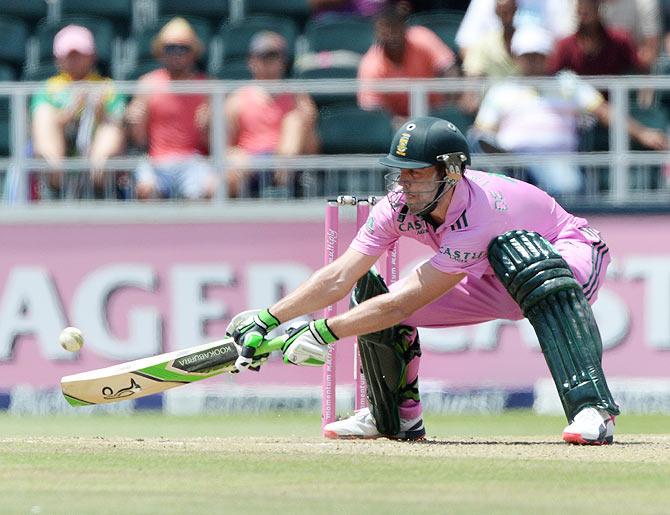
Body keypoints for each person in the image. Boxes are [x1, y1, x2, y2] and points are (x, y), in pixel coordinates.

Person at [228, 115, 621, 446]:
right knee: (373, 301)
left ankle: (593, 410)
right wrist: (269, 318)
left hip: (565, 258)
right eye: (401, 173)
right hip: (490, 278)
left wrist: (324, 332)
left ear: (450, 173)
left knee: (524, 259)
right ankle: (396, 418)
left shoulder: (480, 212)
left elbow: (405, 302)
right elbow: (341, 274)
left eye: (417, 173)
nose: (405, 184)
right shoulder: (396, 207)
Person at [471, 24, 667, 195]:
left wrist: (642, 132)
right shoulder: (500, 90)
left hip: (558, 160)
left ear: (548, 57)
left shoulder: (568, 83)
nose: (533, 61)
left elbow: (604, 111)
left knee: (565, 185)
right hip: (512, 163)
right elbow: (483, 134)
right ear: (516, 57)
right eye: (527, 56)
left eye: (538, 55)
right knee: (479, 147)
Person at [31, 25, 126, 199]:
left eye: (79, 54)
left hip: (96, 143)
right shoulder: (48, 88)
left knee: (111, 126)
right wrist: (70, 111)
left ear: (92, 56)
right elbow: (45, 124)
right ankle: (54, 172)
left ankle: (98, 173)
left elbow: (118, 122)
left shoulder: (108, 86)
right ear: (58, 58)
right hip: (62, 143)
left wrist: (99, 111)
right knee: (44, 114)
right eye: (69, 55)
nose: (74, 60)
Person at [125, 17, 216, 200]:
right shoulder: (147, 84)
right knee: (145, 188)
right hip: (156, 160)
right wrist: (135, 121)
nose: (176, 53)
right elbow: (139, 141)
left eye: (183, 48)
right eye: (170, 48)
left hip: (193, 160)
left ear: (193, 53)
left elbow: (212, 144)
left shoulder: (207, 87)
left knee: (210, 188)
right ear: (161, 52)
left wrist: (208, 126)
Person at [224, 31, 319, 198]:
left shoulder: (298, 97)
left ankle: (282, 181)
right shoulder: (236, 99)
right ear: (251, 60)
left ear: (283, 60)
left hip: (287, 162)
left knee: (295, 121)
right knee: (227, 173)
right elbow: (225, 146)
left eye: (273, 55)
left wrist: (307, 120)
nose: (268, 61)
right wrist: (235, 154)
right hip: (250, 165)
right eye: (262, 55)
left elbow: (313, 148)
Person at [357, 5, 458, 122]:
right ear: (377, 32)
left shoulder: (422, 37)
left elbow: (450, 69)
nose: (391, 35)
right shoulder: (370, 64)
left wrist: (449, 108)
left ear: (404, 27)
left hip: (436, 117)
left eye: (395, 27)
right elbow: (373, 111)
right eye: (385, 29)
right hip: (395, 128)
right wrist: (401, 124)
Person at [548, 0, 643, 77]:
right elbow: (552, 77)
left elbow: (640, 72)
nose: (586, 8)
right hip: (577, 100)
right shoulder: (565, 46)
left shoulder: (620, 41)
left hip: (616, 100)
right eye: (581, 4)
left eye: (592, 3)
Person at [462, 0, 520, 80]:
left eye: (510, 10)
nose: (506, 14)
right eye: (503, 11)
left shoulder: (529, 39)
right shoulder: (483, 43)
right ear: (496, 11)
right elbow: (465, 47)